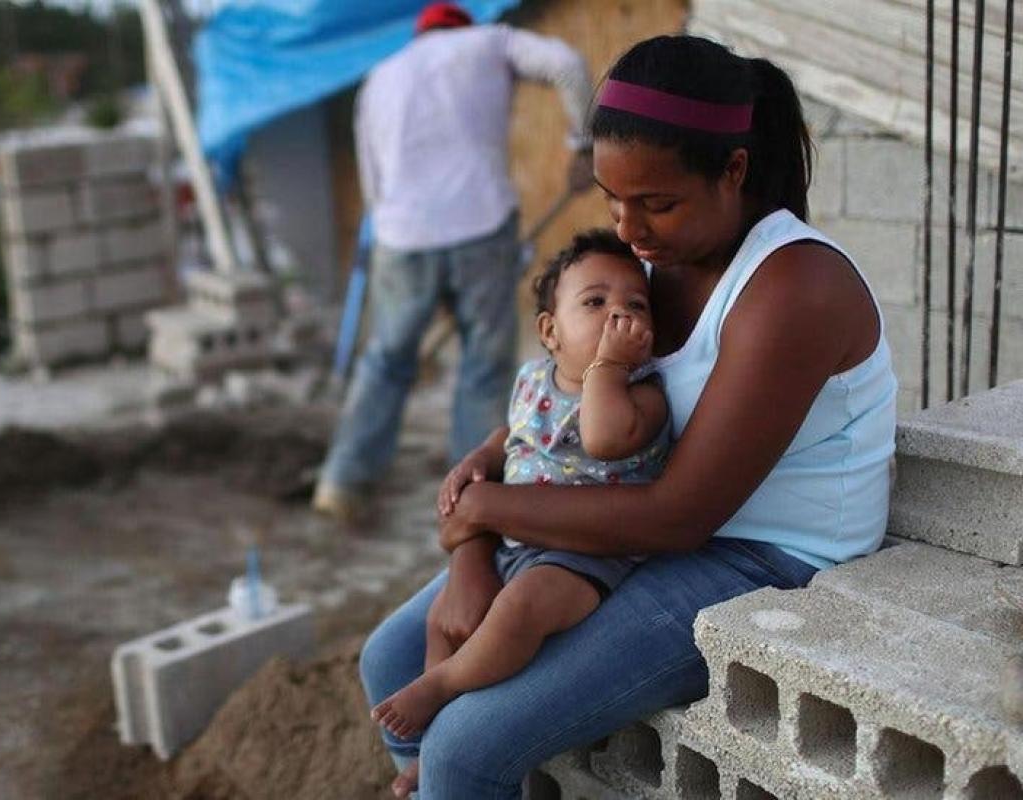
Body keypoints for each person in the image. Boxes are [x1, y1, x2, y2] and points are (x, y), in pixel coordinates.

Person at [359, 34, 898, 799]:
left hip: (757, 556)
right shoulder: (644, 269)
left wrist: (485, 510)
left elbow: (679, 517)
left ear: (733, 170)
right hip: (631, 514)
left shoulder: (794, 287)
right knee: (390, 660)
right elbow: (557, 402)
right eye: (612, 200)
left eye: (656, 203)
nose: (627, 228)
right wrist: (473, 541)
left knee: (465, 748)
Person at [370, 230, 671, 762]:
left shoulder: (643, 396)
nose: (617, 316)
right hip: (515, 543)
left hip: (584, 556)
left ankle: (442, 686)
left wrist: (607, 367)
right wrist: (481, 458)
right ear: (550, 331)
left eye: (636, 306)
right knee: (442, 620)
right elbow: (513, 434)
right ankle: (429, 749)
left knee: (518, 610)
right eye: (595, 302)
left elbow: (604, 437)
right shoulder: (534, 379)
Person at [312, 2, 596, 521]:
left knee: (386, 359)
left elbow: (372, 181)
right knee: (483, 367)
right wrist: (584, 143)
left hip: (401, 236)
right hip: (481, 227)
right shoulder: (491, 42)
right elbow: (567, 64)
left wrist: (402, 237)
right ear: (463, 27)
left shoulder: (381, 76)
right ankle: (472, 497)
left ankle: (341, 483)